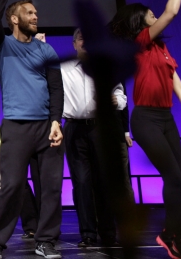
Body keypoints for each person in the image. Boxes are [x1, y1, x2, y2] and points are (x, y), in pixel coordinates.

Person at [109, 0, 181, 258]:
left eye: (154, 14)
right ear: (139, 22)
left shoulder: (163, 52)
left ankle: (170, 233)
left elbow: (180, 88)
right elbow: (172, 12)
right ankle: (176, 234)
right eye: (150, 15)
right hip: (145, 119)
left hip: (167, 119)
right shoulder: (140, 42)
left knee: (176, 178)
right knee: (173, 176)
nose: (155, 17)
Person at [0, 0, 64, 259]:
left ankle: (46, 240)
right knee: (12, 186)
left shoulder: (47, 50)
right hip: (16, 128)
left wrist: (56, 121)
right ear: (15, 19)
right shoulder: (2, 46)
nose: (35, 16)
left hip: (46, 128)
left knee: (52, 188)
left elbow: (56, 89)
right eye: (29, 13)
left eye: (36, 13)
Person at [61, 29, 127, 247]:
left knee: (104, 182)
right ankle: (88, 233)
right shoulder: (63, 68)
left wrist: (116, 101)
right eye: (82, 39)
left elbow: (120, 94)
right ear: (74, 44)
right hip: (74, 128)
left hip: (101, 128)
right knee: (81, 183)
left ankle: (108, 233)